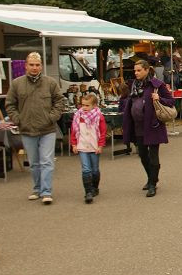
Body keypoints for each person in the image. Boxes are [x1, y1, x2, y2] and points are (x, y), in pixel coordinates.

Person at [6, 52, 64, 205]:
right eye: (31, 65)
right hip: (27, 129)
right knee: (34, 163)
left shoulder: (50, 83)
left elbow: (59, 102)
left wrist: (51, 117)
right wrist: (18, 120)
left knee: (47, 161)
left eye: (37, 65)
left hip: (47, 129)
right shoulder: (17, 83)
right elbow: (9, 104)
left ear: (41, 66)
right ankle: (37, 189)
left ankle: (46, 192)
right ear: (26, 66)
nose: (34, 68)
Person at [121, 60, 174, 197]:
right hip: (137, 126)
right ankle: (152, 178)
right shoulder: (133, 85)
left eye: (138, 70)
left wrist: (159, 98)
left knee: (153, 156)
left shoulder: (156, 84)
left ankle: (152, 184)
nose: (136, 73)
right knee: (142, 155)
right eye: (135, 70)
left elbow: (171, 101)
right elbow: (130, 102)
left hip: (152, 125)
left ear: (146, 70)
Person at [70, 92, 107, 203]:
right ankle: (88, 192)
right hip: (82, 146)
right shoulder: (78, 116)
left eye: (87, 105)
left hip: (94, 146)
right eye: (82, 105)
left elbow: (103, 131)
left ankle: (95, 187)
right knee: (86, 169)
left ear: (94, 106)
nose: (84, 107)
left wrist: (100, 145)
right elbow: (74, 131)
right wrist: (74, 144)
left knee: (94, 170)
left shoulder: (99, 116)